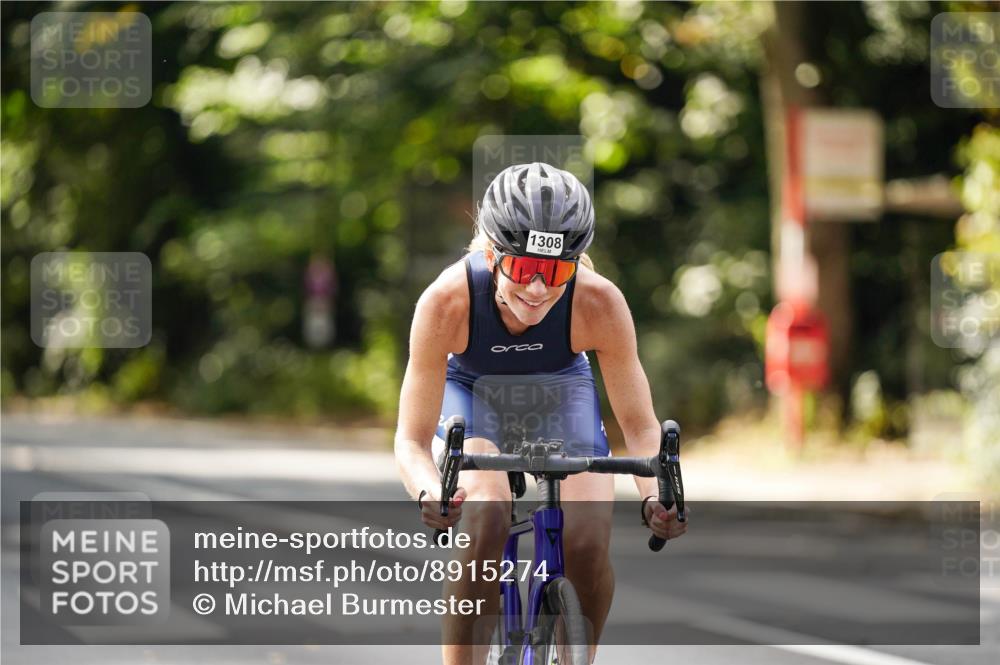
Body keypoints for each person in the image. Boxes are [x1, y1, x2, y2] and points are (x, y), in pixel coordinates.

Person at [394, 162, 688, 664]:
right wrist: (430, 490)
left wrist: (657, 498)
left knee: (590, 538)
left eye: (555, 271)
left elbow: (640, 428)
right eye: (526, 268)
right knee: (486, 518)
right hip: (474, 394)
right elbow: (411, 440)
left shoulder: (599, 302)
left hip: (560, 395)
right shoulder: (447, 301)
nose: (538, 289)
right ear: (492, 254)